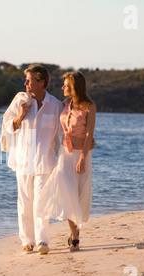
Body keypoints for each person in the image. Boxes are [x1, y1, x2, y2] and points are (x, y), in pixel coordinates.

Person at [0, 64, 63, 255]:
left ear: (41, 82)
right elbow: (7, 127)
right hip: (23, 161)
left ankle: (42, 240)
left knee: (41, 203)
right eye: (25, 80)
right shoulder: (19, 101)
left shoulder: (56, 105)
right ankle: (27, 241)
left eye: (29, 80)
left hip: (45, 162)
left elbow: (64, 131)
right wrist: (20, 116)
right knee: (24, 202)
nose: (25, 83)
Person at [36, 71, 96, 251]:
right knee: (67, 193)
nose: (62, 87)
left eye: (66, 85)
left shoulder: (89, 106)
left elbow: (89, 134)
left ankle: (74, 235)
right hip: (64, 154)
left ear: (75, 86)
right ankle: (75, 238)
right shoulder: (64, 104)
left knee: (77, 195)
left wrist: (83, 158)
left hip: (81, 154)